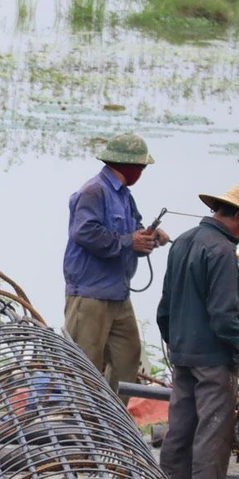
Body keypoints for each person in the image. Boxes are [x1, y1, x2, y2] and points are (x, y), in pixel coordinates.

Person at [155, 183, 239, 479]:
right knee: (212, 436)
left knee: (179, 432)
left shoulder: (185, 241)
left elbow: (164, 310)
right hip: (213, 360)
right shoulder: (222, 252)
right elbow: (225, 318)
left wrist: (177, 345)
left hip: (184, 355)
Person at [63, 132, 169, 399]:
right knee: (84, 366)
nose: (142, 173)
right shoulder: (93, 191)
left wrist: (148, 238)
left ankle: (111, 421)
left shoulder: (124, 196)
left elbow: (133, 234)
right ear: (129, 166)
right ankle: (80, 426)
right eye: (142, 167)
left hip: (118, 294)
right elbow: (84, 233)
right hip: (90, 295)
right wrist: (127, 241)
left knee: (128, 356)